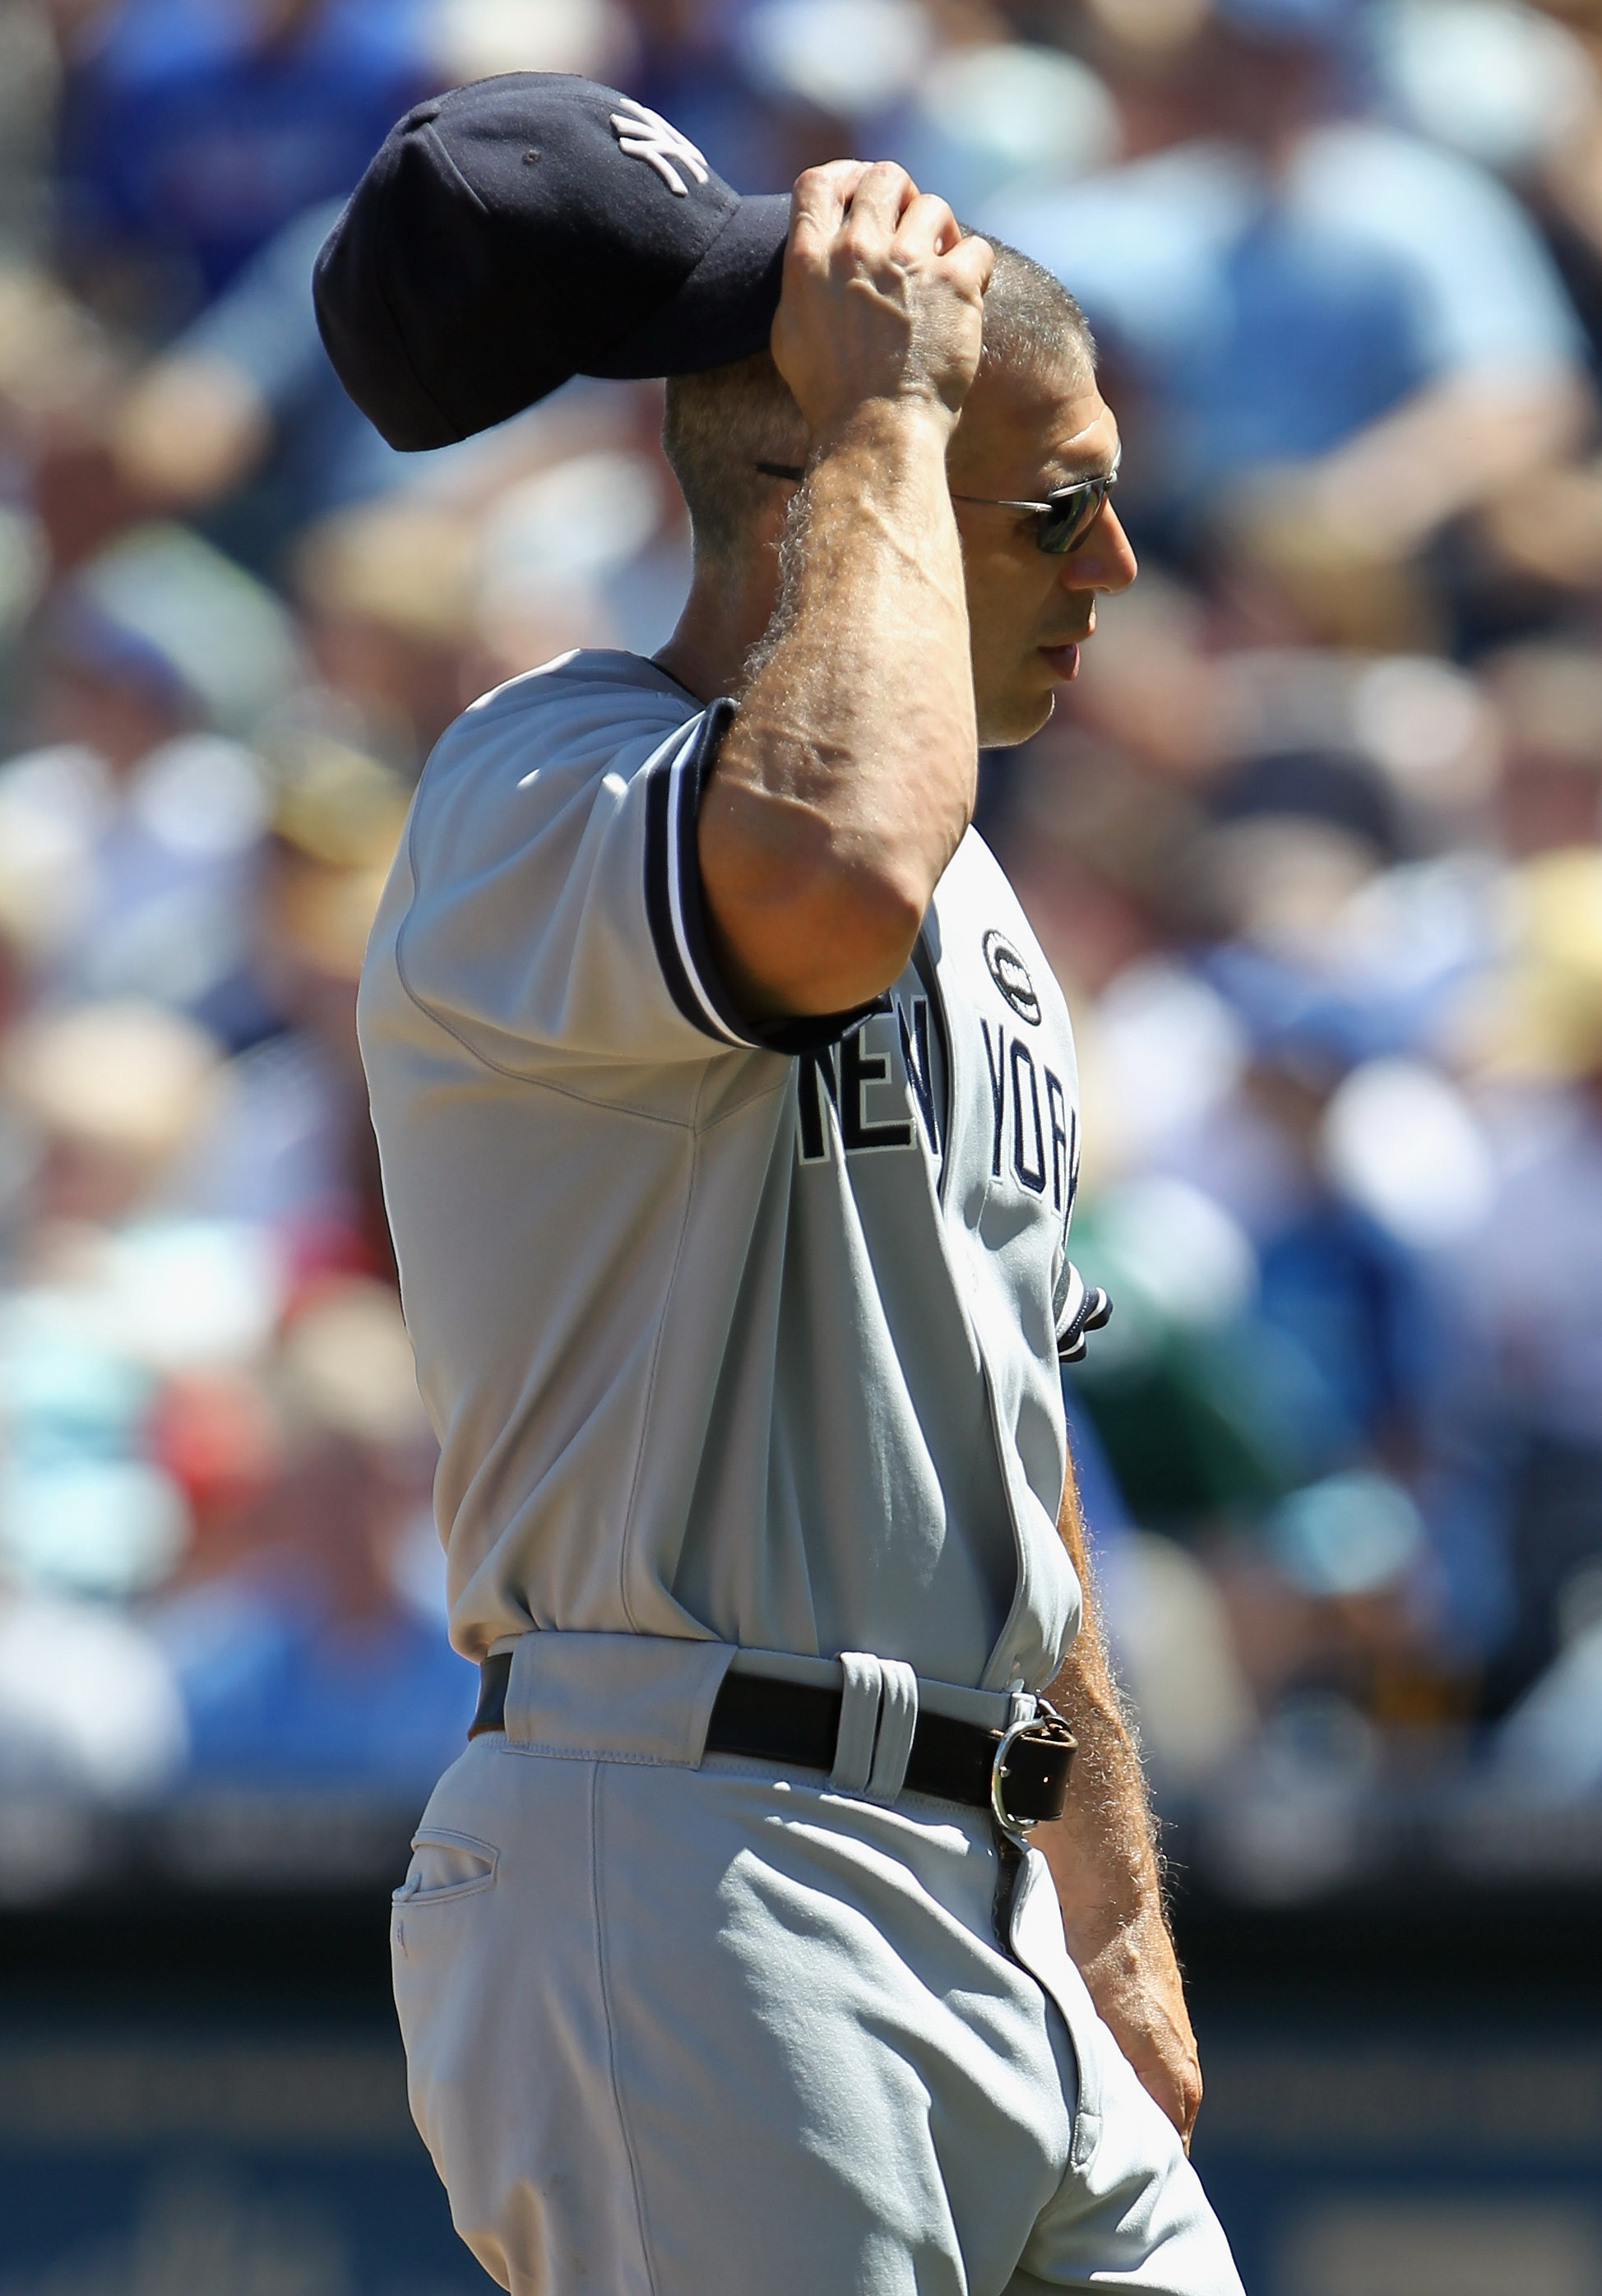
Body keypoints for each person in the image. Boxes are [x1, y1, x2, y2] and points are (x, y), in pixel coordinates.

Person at [327, 75, 1243, 2295]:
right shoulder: (542, 777)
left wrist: (1099, 1881)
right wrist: (881, 430)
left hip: (975, 1876)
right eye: (1057, 510)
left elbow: (1001, 1420)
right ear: (878, 491)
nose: (1116, 566)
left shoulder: (980, 907)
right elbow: (814, 869)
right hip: (691, 1854)